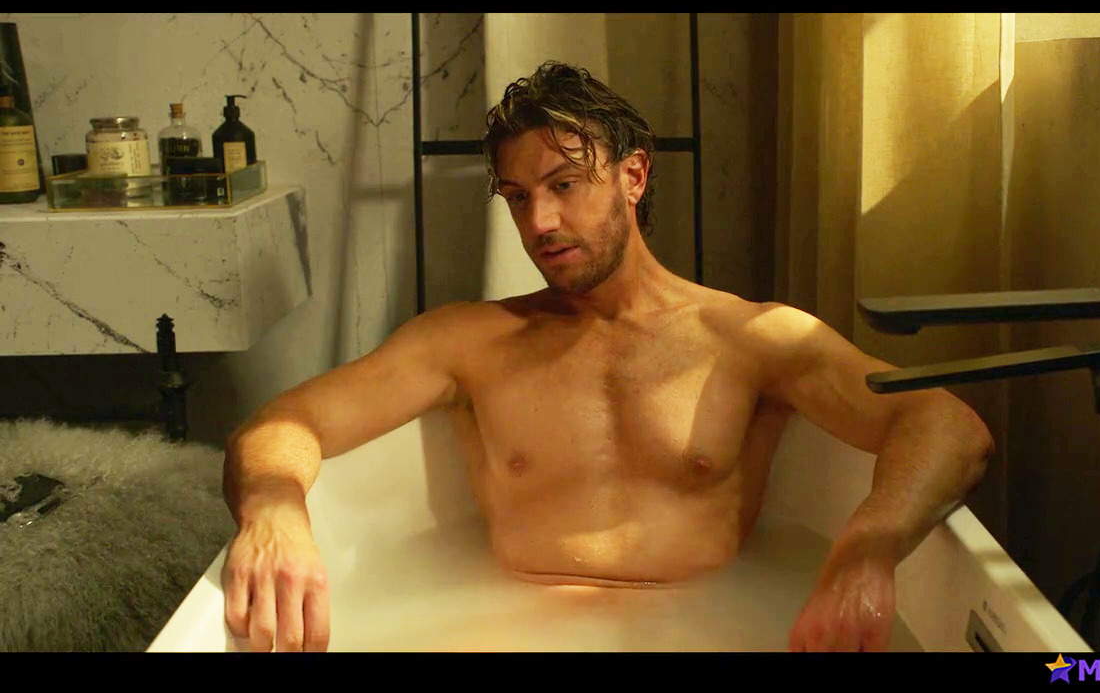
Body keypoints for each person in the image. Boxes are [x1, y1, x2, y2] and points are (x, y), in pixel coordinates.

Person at [221, 61, 995, 653]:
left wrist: (866, 547)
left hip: (710, 629)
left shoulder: (751, 339)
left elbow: (946, 426)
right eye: (518, 196)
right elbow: (286, 422)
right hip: (501, 630)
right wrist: (274, 509)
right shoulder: (467, 343)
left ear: (634, 175)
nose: (539, 221)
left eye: (563, 184)